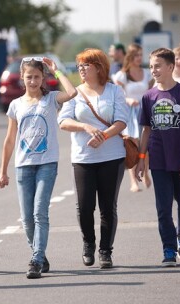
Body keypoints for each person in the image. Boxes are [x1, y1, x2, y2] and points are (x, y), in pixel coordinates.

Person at [0, 56, 77, 279]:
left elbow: (72, 93)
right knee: (26, 218)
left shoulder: (51, 99)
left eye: (37, 77)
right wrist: (3, 171)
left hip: (47, 164)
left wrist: (57, 70)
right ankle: (39, 253)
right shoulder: (15, 105)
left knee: (40, 212)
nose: (33, 81)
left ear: (43, 79)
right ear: (22, 78)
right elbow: (10, 139)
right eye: (29, 76)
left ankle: (36, 259)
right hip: (23, 166)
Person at [58, 48, 129, 269]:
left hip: (113, 156)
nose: (81, 69)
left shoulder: (114, 91)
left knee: (108, 207)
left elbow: (121, 121)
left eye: (85, 65)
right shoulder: (75, 93)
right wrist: (85, 126)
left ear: (99, 67)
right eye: (79, 66)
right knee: (85, 206)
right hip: (83, 158)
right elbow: (63, 122)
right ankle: (88, 244)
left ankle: (105, 251)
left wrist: (104, 136)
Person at [135, 47, 180, 267]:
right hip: (159, 161)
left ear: (171, 67)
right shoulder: (148, 97)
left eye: (158, 65)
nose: (153, 70)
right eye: (151, 66)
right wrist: (141, 158)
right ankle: (169, 248)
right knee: (163, 207)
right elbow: (145, 130)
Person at [113, 43, 153, 192]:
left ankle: (145, 174)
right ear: (130, 57)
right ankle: (133, 181)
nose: (139, 58)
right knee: (132, 146)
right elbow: (118, 94)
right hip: (130, 112)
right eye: (136, 55)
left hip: (145, 111)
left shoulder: (147, 73)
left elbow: (150, 91)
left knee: (145, 145)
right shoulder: (122, 75)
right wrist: (128, 100)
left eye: (141, 55)